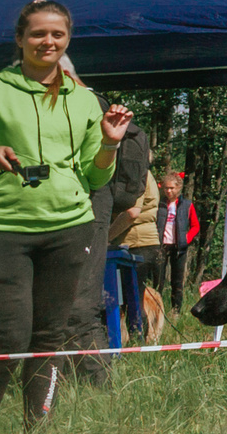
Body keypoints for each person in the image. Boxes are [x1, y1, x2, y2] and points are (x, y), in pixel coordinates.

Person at [0, 0, 131, 434]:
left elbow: (95, 176)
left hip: (68, 228)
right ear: (20, 39)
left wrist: (110, 142)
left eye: (57, 34)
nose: (47, 41)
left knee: (50, 337)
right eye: (37, 33)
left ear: (67, 40)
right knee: (8, 338)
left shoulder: (85, 101)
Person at [70, 111, 151, 384]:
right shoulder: (136, 170)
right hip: (120, 240)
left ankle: (100, 378)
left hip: (128, 241)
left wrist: (105, 239)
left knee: (90, 310)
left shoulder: (133, 174)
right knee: (106, 307)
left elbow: (132, 212)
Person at [114, 172, 160, 342]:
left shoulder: (137, 173)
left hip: (136, 243)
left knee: (133, 301)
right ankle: (136, 342)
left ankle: (137, 344)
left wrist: (107, 237)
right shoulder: (146, 174)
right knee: (132, 300)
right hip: (140, 242)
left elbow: (132, 213)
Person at [148, 170, 200, 314]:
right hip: (161, 246)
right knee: (158, 281)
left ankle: (176, 311)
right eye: (166, 188)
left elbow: (195, 226)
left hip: (179, 247)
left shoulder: (187, 205)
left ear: (178, 188)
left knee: (177, 282)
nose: (169, 191)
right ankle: (157, 310)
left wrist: (186, 239)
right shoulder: (159, 205)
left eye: (172, 188)